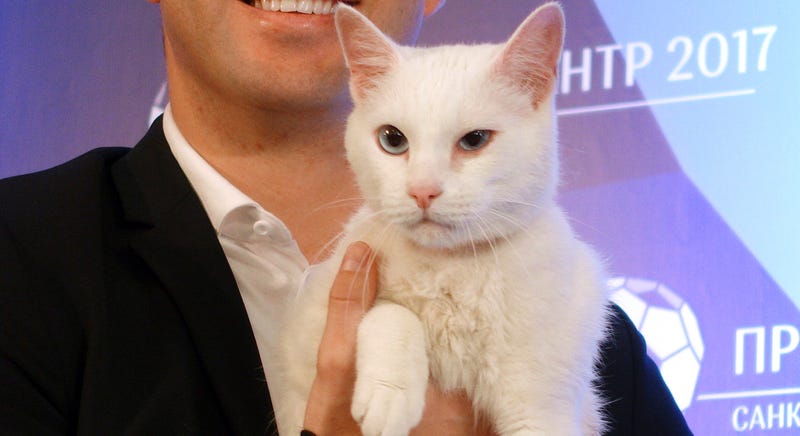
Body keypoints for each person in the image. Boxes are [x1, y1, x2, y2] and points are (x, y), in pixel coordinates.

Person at [0, 0, 691, 434]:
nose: (426, 184)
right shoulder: (19, 257)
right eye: (398, 141)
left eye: (472, 142)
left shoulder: (581, 320)